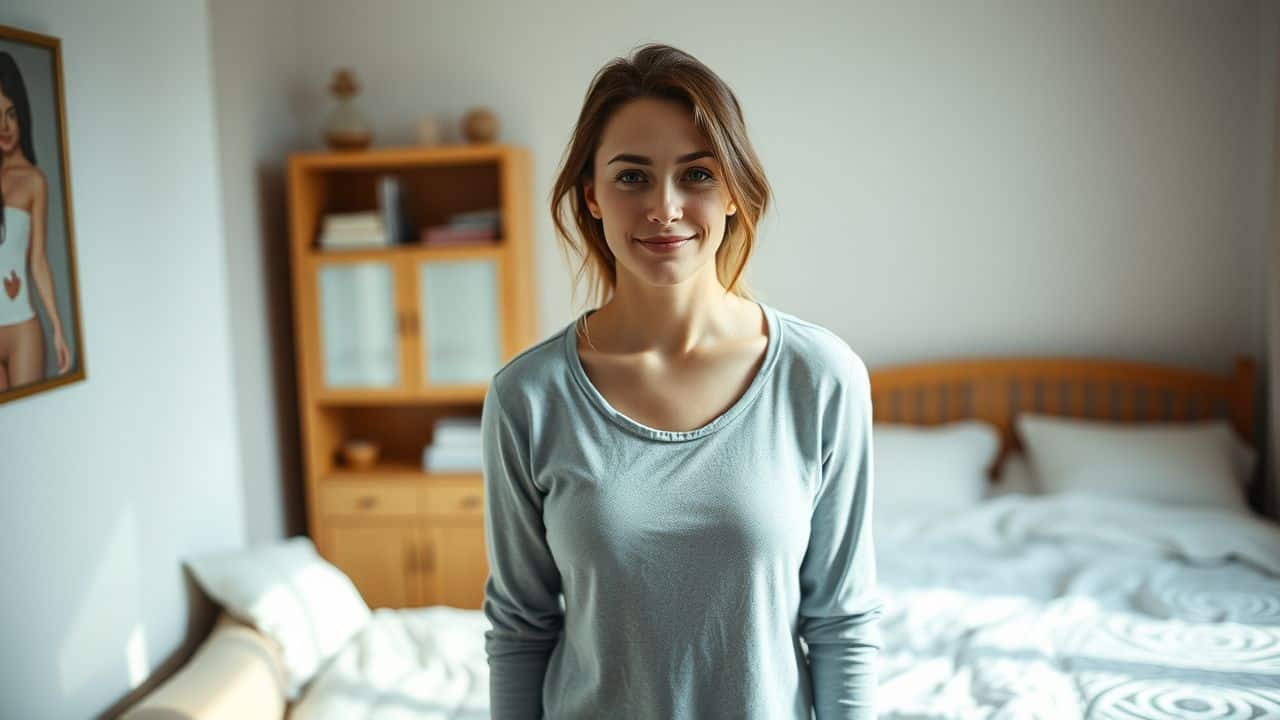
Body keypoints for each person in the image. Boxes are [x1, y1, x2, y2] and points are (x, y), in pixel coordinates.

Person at [480, 43, 881, 719]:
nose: (664, 208)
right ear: (593, 198)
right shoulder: (528, 397)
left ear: (732, 194)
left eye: (695, 175)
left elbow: (842, 624)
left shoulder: (821, 379)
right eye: (632, 178)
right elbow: (520, 631)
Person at [0, 50, 70, 391]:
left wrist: (57, 327)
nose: (4, 127)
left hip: (22, 330)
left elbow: (38, 260)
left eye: (11, 113)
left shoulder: (33, 180)